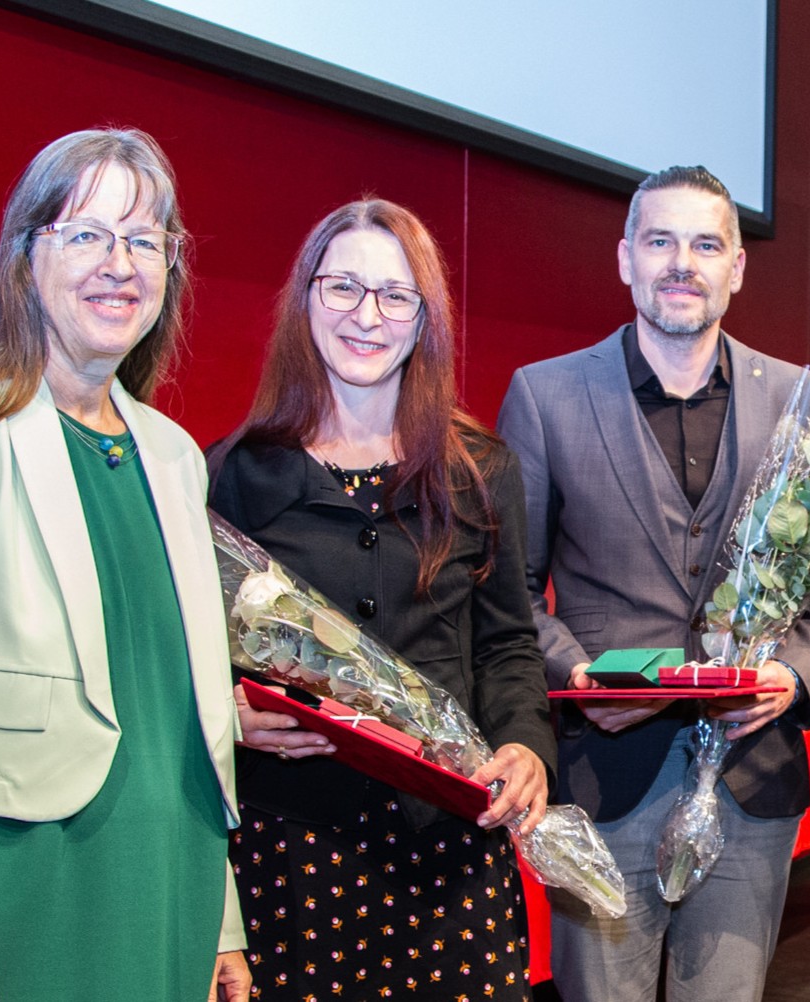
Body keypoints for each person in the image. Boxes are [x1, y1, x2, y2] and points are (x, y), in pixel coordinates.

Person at [0, 129, 248, 1001]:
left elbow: (180, 717)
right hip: (14, 904)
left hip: (169, 896)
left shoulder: (172, 455)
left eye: (144, 240)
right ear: (24, 254)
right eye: (85, 234)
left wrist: (220, 917)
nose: (118, 264)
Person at [496, 166, 810, 1002]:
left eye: (705, 244)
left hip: (752, 777)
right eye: (660, 241)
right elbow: (507, 587)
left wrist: (796, 670)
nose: (680, 263)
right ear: (625, 258)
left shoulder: (799, 398)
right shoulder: (546, 394)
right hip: (605, 773)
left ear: (737, 266)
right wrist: (575, 673)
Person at [207, 199, 556, 1001]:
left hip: (450, 850)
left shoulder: (481, 469)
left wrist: (526, 746)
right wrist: (229, 713)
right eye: (343, 289)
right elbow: (192, 657)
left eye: (396, 296)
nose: (368, 316)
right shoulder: (232, 471)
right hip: (293, 853)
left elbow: (506, 644)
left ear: (424, 317)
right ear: (306, 300)